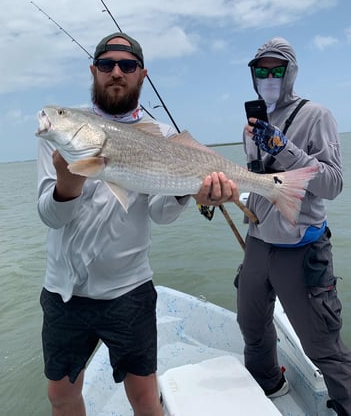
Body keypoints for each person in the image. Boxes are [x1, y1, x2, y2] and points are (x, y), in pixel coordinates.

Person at [37, 32, 238, 416]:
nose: (116, 72)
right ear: (93, 71)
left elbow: (161, 214)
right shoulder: (58, 136)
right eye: (107, 65)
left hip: (129, 290)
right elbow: (50, 215)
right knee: (60, 396)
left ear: (141, 74)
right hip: (64, 291)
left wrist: (189, 191)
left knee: (145, 397)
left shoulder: (161, 136)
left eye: (127, 66)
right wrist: (69, 182)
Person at [236, 36, 351, 415]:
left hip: (301, 248)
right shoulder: (252, 125)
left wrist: (284, 148)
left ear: (291, 71)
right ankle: (268, 383)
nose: (269, 76)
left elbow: (332, 183)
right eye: (261, 70)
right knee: (251, 324)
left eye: (277, 69)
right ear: (253, 75)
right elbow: (259, 180)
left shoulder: (317, 115)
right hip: (258, 241)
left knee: (322, 345)